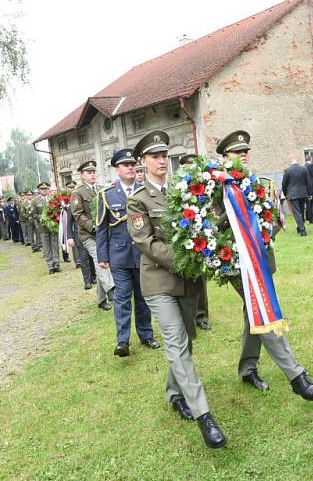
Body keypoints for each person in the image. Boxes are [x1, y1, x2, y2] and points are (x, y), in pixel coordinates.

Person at [127, 130, 226, 449]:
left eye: (163, 155)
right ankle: (204, 415)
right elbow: (146, 242)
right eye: (154, 156)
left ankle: (173, 394)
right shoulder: (138, 200)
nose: (161, 161)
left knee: (186, 341)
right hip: (159, 282)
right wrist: (183, 261)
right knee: (176, 341)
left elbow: (199, 225)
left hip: (189, 282)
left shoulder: (182, 191)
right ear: (143, 162)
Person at [217, 131, 313, 402]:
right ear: (223, 157)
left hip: (261, 261)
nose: (243, 155)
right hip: (236, 262)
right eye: (236, 152)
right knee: (263, 310)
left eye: (245, 151)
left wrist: (267, 229)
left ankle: (247, 367)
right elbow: (210, 226)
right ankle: (296, 376)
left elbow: (274, 219)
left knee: (252, 312)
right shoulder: (216, 186)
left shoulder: (257, 183)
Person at [97, 148, 160, 356]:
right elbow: (102, 228)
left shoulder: (145, 191)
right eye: (126, 165)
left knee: (143, 297)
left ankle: (146, 335)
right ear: (117, 169)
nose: (131, 168)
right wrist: (102, 256)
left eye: (133, 164)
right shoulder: (107, 195)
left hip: (142, 254)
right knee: (123, 297)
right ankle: (122, 341)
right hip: (119, 256)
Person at [71, 161, 115, 310]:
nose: (92, 175)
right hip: (88, 235)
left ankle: (101, 300)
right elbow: (77, 215)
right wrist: (92, 225)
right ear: (82, 175)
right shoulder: (78, 192)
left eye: (94, 172)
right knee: (99, 260)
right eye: (89, 173)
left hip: (103, 233)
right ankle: (112, 289)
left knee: (103, 262)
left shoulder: (101, 189)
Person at [178, 153, 211, 331]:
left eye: (193, 166)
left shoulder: (204, 187)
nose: (190, 169)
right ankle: (187, 314)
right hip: (183, 237)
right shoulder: (177, 187)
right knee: (183, 278)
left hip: (201, 238)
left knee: (200, 279)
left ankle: (202, 315)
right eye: (187, 166)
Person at [33, 182, 61, 274]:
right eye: (42, 189)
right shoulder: (35, 201)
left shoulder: (52, 199)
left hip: (53, 226)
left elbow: (57, 210)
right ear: (39, 190)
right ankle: (50, 266)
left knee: (55, 245)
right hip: (43, 227)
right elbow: (33, 214)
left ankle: (56, 264)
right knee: (46, 247)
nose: (45, 190)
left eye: (46, 189)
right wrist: (42, 217)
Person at [281, 154, 310, 236]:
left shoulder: (288, 171)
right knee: (301, 211)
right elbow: (308, 182)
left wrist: (285, 193)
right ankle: (299, 228)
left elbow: (284, 184)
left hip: (293, 194)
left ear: (291, 160)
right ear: (297, 159)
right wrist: (309, 193)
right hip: (303, 193)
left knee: (297, 213)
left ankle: (302, 231)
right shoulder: (304, 169)